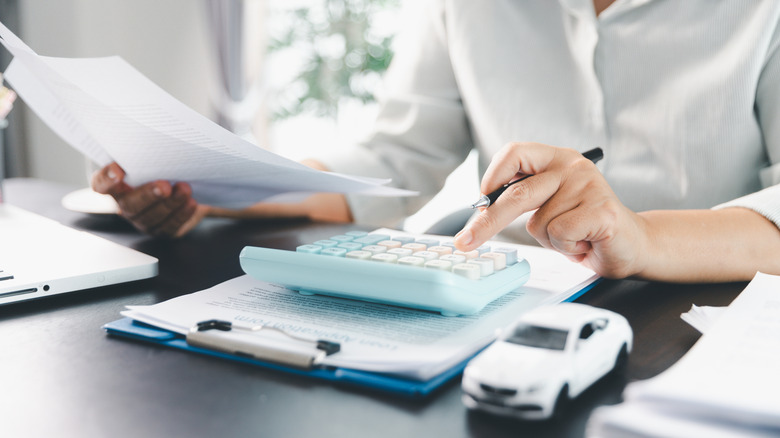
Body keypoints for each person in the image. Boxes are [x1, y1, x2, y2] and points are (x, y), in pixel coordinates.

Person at [93, 0, 780, 283]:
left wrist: (644, 235)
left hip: (703, 308)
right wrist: (213, 188)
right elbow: (396, 159)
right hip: (508, 298)